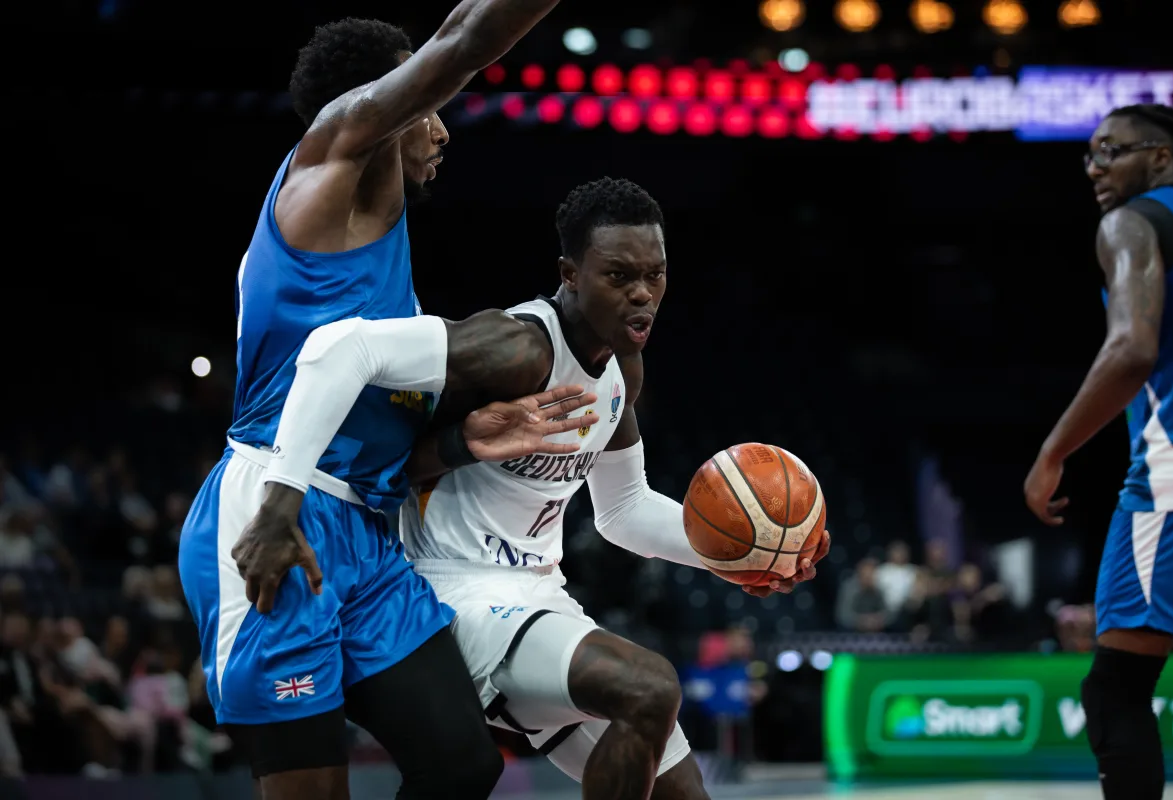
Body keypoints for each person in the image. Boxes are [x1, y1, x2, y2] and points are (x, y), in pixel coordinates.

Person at [264, 177, 831, 800]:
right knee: (650, 688)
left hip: (540, 598)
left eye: (656, 275)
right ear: (570, 273)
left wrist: (735, 555)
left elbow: (623, 510)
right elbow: (341, 348)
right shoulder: (517, 347)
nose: (643, 294)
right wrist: (280, 498)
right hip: (452, 591)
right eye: (618, 276)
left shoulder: (623, 368)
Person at [176, 5, 585, 799]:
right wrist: (278, 508)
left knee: (462, 765)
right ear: (384, 106)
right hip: (277, 516)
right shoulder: (325, 164)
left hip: (364, 535)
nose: (441, 132)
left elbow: (396, 454)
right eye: (425, 109)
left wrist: (469, 437)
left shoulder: (386, 271)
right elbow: (465, 41)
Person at [1024, 103, 1173, 800]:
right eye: (1090, 156)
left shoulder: (1130, 224)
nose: (1094, 169)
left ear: (1161, 157)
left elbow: (1132, 348)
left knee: (1116, 689)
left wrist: (1053, 451)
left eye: (1111, 152)